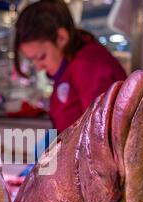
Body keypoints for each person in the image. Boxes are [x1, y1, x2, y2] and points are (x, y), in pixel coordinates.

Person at [14, 0, 127, 133]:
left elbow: (101, 133)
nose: (38, 67)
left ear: (61, 38)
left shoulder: (88, 64)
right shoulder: (68, 65)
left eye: (41, 57)